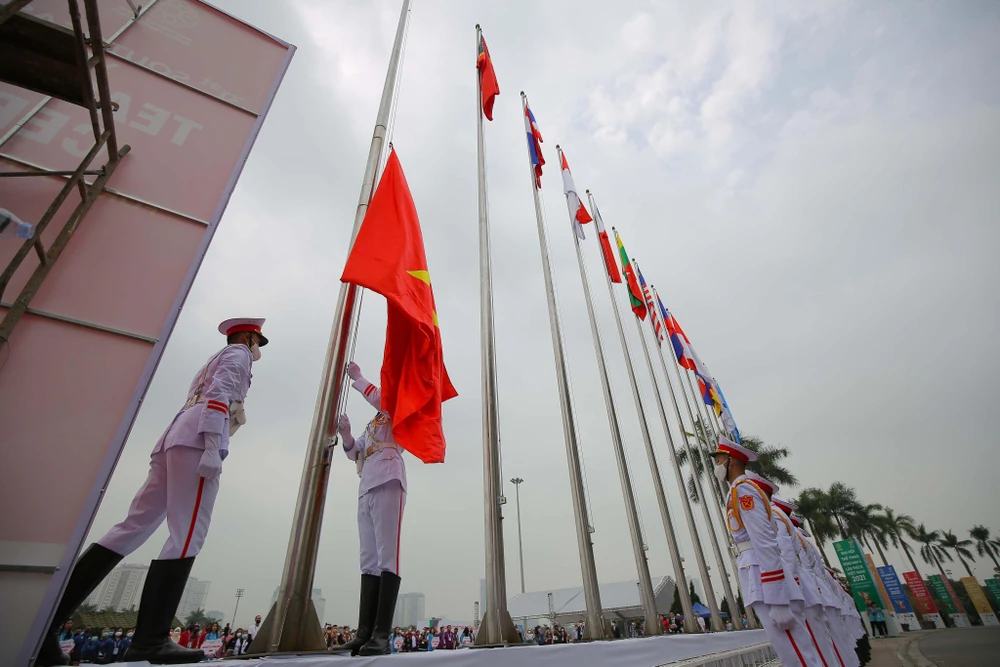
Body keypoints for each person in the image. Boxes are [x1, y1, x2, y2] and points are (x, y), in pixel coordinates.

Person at [37, 318, 268, 666]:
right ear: (249, 337)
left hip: (175, 436)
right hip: (197, 438)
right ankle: (151, 640)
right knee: (188, 533)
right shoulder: (238, 354)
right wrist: (211, 444)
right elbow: (221, 393)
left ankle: (46, 627)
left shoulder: (214, 357)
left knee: (130, 528)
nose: (257, 349)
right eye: (258, 342)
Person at [709, 436, 824, 666]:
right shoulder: (738, 491)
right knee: (791, 650)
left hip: (763, 572)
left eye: (719, 459)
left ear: (730, 461)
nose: (716, 465)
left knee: (796, 653)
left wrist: (778, 599)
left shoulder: (743, 491)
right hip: (757, 569)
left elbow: (763, 540)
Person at [332, 362, 406, 656]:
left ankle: (382, 634)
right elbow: (355, 452)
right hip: (368, 482)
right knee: (369, 559)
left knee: (388, 556)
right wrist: (347, 435)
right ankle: (364, 633)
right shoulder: (374, 422)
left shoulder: (398, 404)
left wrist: (359, 378)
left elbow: (381, 398)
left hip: (389, 476)